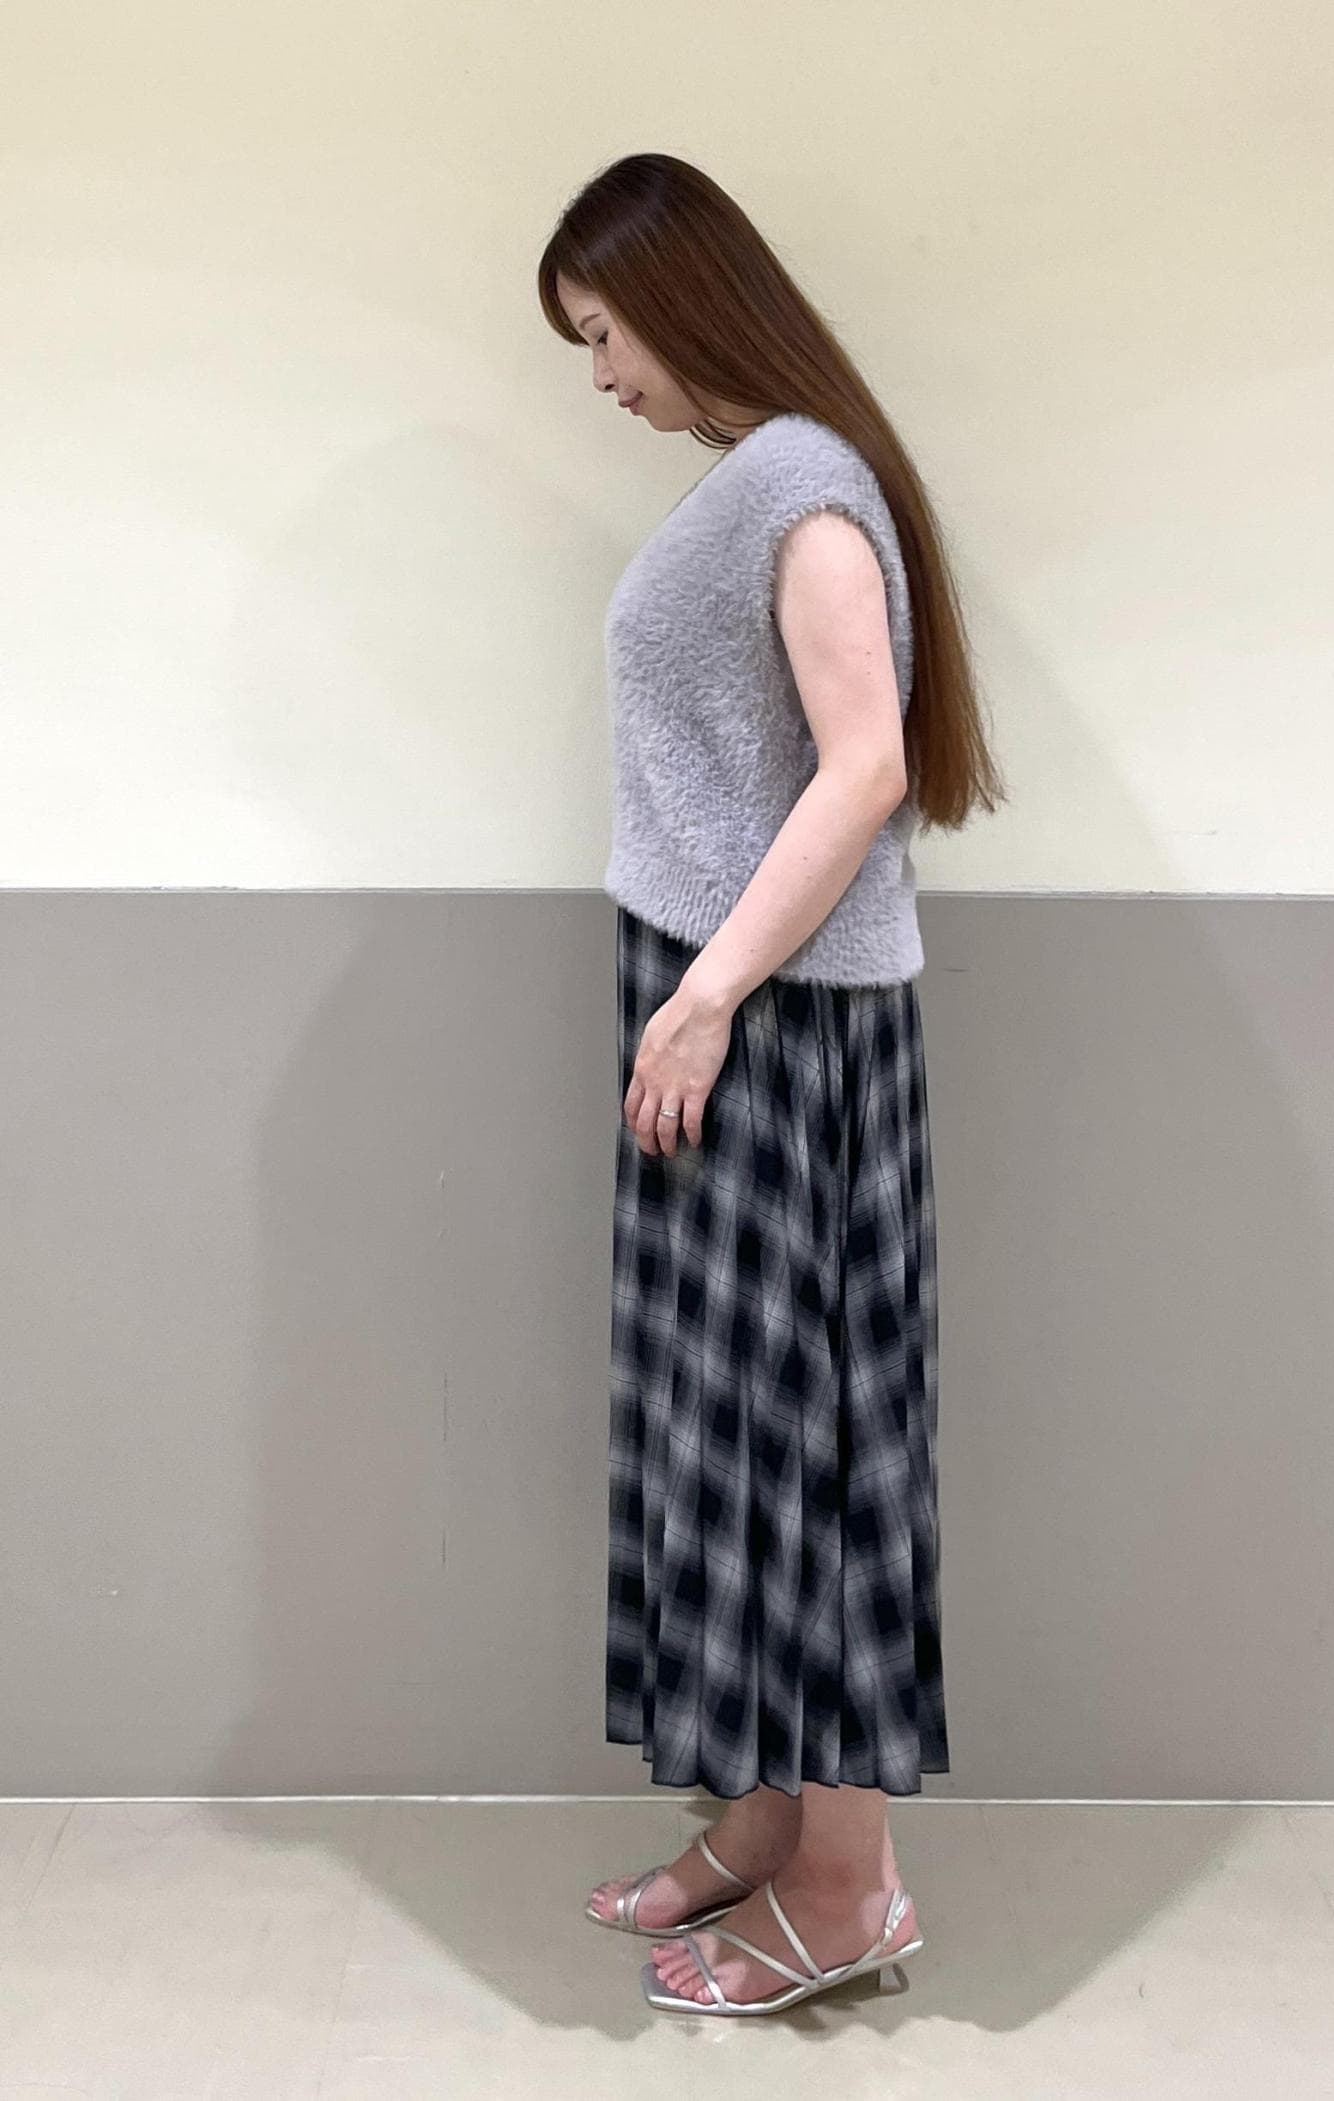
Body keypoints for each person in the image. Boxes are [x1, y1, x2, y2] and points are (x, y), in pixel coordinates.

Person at [537, 152, 1006, 2016]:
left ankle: (850, 1886)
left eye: (604, 334)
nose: (601, 376)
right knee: (725, 1441)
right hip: (723, 1011)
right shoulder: (762, 477)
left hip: (777, 1029)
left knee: (808, 1443)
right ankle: (762, 1818)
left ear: (681, 298)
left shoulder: (805, 487)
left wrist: (711, 994)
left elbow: (866, 763)